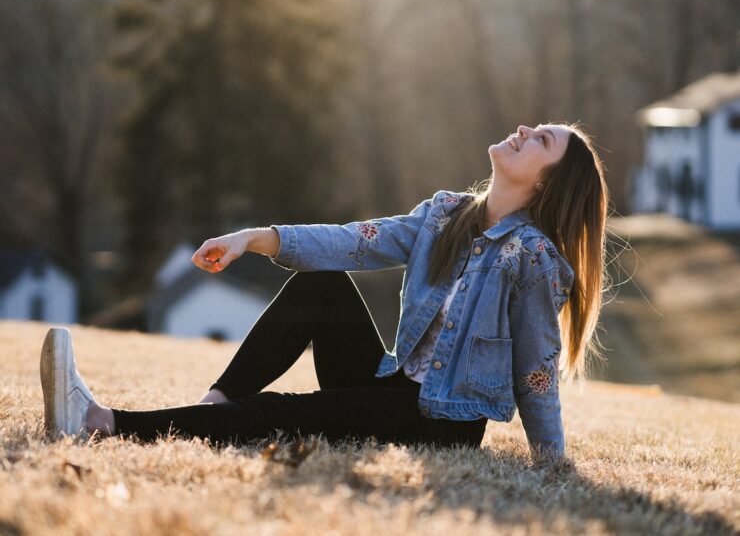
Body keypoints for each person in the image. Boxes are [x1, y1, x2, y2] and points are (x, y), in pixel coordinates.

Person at [40, 123, 608, 465]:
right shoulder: (445, 216)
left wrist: (551, 461)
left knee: (280, 415)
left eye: (541, 141)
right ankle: (211, 411)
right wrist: (254, 239)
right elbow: (352, 244)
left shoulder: (530, 258)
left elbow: (537, 366)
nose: (524, 131)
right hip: (391, 384)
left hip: (438, 423)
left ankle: (101, 423)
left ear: (545, 183)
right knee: (322, 285)